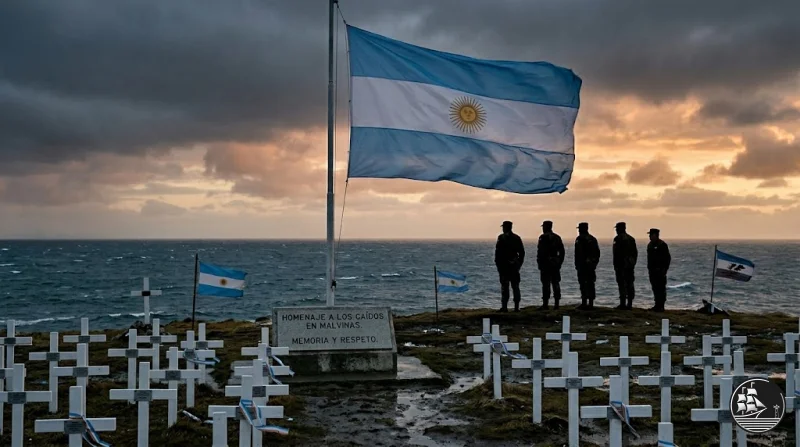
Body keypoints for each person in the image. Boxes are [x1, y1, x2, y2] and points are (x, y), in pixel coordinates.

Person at [494, 220, 525, 312]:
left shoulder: (502, 238)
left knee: (507, 287)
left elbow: (498, 253)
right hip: (511, 266)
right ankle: (515, 307)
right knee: (513, 287)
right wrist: (518, 263)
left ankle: (506, 307)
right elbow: (522, 253)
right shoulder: (516, 238)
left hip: (506, 267)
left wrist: (499, 265)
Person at [536, 220, 565, 309]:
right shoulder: (557, 237)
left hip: (546, 264)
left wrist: (540, 263)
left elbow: (540, 252)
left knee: (546, 284)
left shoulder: (543, 237)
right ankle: (556, 304)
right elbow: (562, 252)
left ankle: (546, 304)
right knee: (555, 283)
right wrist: (559, 262)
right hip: (555, 264)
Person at [574, 222, 600, 309]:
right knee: (587, 284)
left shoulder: (581, 239)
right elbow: (597, 254)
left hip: (585, 266)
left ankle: (586, 302)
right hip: (586, 266)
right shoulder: (592, 239)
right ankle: (588, 303)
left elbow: (596, 253)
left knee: (586, 284)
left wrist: (591, 263)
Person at [612, 222, 637, 310]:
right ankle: (627, 303)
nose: (616, 230)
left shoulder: (619, 239)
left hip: (622, 266)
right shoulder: (630, 239)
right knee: (627, 284)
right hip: (626, 266)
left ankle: (624, 303)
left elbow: (617, 254)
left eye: (617, 229)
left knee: (624, 284)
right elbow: (635, 254)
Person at [646, 228, 671, 312]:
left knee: (661, 288)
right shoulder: (650, 245)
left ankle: (661, 306)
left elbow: (667, 258)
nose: (649, 236)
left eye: (651, 235)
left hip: (660, 270)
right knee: (655, 288)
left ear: (655, 235)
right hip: (652, 271)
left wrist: (664, 269)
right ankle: (657, 305)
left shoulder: (662, 245)